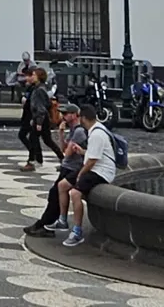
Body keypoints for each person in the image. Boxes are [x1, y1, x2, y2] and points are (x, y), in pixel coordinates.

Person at [23, 102, 88, 237]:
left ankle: (45, 223)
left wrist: (69, 148)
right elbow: (64, 149)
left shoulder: (79, 131)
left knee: (55, 193)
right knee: (54, 194)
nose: (62, 116)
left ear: (75, 115)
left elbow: (68, 153)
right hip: (67, 166)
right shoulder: (73, 130)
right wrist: (61, 132)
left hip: (72, 169)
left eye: (65, 114)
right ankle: (45, 223)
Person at [63, 102, 117, 248]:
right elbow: (92, 155)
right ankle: (62, 220)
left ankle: (77, 231)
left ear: (84, 118)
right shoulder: (95, 131)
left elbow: (93, 161)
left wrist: (81, 174)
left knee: (75, 193)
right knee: (63, 185)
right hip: (96, 168)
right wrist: (82, 152)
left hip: (101, 171)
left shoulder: (97, 134)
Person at [20, 68, 60, 171]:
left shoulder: (39, 90)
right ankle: (61, 158)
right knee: (46, 140)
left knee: (36, 139)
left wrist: (39, 121)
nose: (32, 76)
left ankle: (32, 162)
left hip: (41, 118)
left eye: (34, 75)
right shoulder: (38, 88)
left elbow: (41, 107)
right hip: (40, 118)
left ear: (39, 77)